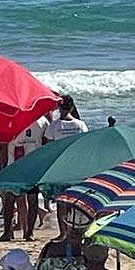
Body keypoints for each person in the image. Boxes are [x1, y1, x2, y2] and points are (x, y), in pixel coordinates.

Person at [0, 114, 51, 241]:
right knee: (10, 199)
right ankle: (8, 232)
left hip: (32, 165)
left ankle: (29, 232)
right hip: (15, 165)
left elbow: (47, 142)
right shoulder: (12, 118)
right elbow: (4, 141)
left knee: (31, 199)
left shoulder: (42, 121)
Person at [45, 95, 88, 240]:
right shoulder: (80, 125)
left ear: (59, 107)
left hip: (59, 168)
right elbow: (85, 146)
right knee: (72, 202)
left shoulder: (54, 126)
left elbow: (48, 147)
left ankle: (63, 233)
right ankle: (71, 231)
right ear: (71, 107)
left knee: (61, 202)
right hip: (76, 167)